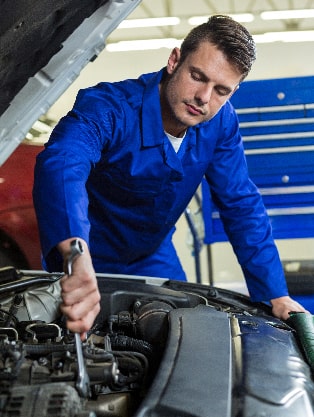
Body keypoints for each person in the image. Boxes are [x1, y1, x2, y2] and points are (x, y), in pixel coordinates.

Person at [33, 15, 307, 337]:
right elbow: (63, 163)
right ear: (174, 60)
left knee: (183, 334)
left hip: (153, 257)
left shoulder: (220, 124)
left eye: (221, 90)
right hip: (86, 254)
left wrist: (274, 293)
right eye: (197, 76)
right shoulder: (109, 108)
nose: (204, 98)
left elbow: (240, 204)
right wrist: (75, 256)